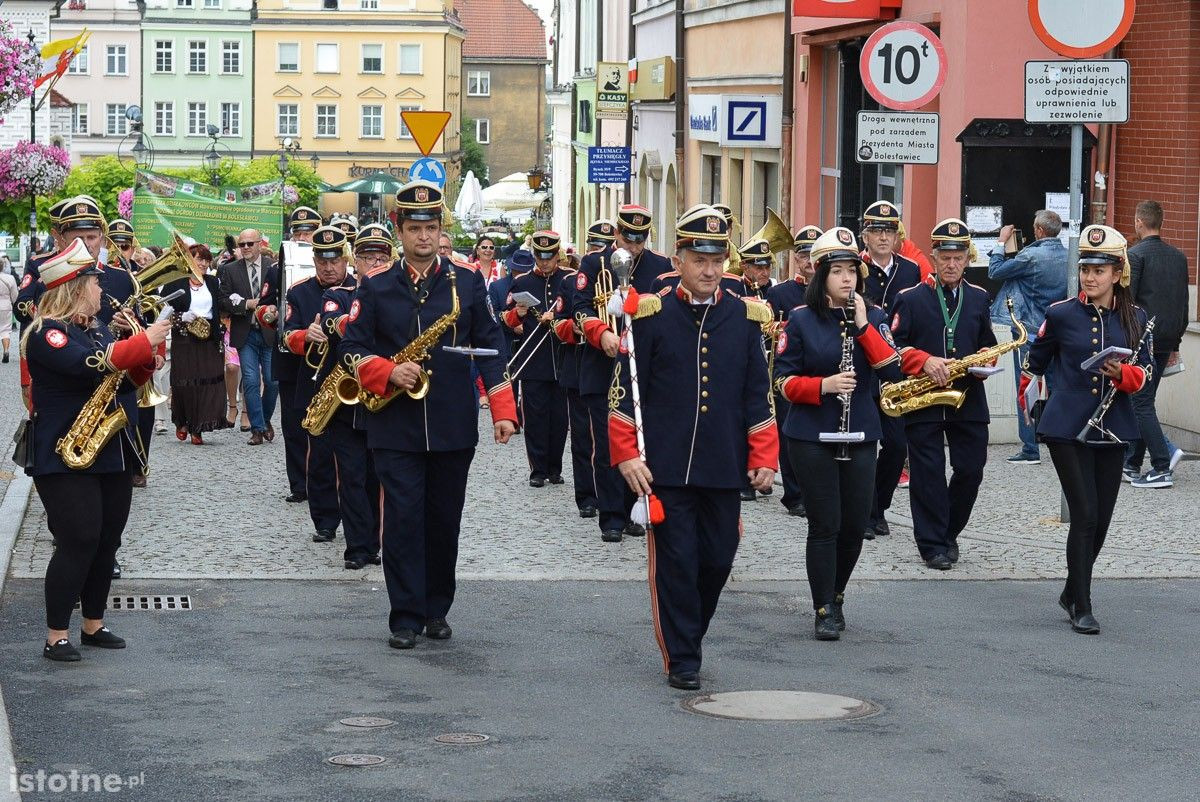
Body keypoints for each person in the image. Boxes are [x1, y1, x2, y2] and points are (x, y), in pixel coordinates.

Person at [339, 180, 517, 649]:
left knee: (443, 521)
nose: (423, 237)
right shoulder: (375, 286)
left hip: (451, 422)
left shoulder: (469, 281)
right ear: (400, 229)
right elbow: (351, 349)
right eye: (415, 227)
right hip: (393, 423)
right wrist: (387, 371)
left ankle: (437, 608)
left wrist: (502, 408)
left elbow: (492, 347)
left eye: (431, 227)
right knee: (401, 519)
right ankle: (405, 615)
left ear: (441, 230)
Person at [609, 205, 777, 690]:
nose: (709, 270)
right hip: (666, 468)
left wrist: (764, 456)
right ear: (678, 260)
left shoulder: (746, 318)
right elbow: (625, 391)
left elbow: (757, 394)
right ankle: (683, 656)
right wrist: (626, 454)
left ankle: (690, 633)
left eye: (717, 259)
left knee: (718, 558)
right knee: (678, 562)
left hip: (724, 465)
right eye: (698, 259)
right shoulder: (651, 314)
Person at [22, 240, 172, 661]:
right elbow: (89, 365)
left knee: (108, 539)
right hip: (64, 451)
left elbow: (122, 381)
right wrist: (143, 343)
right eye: (92, 281)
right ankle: (56, 635)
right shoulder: (48, 332)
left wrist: (147, 358)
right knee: (78, 538)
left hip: (108, 446)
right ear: (72, 286)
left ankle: (93, 623)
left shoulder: (97, 328)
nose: (99, 288)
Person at [1021, 225, 1152, 634]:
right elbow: (1034, 362)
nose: (1090, 277)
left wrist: (1124, 373)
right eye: (1085, 269)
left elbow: (1145, 375)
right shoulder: (1060, 314)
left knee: (1103, 519)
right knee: (1085, 514)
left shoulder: (1136, 318)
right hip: (1067, 425)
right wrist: (1029, 397)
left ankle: (1070, 589)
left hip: (1113, 425)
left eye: (1100, 270)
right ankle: (1082, 604)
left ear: (1118, 273)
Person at [774, 227, 901, 639]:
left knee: (854, 523)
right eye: (838, 271)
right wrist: (822, 386)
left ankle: (839, 592)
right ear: (821, 276)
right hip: (811, 435)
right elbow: (781, 381)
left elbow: (892, 369)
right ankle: (823, 606)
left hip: (861, 431)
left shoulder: (875, 316)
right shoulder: (800, 320)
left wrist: (864, 327)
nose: (847, 279)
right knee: (825, 523)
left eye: (852, 271)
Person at [890, 220, 997, 570]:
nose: (952, 264)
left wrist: (985, 360)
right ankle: (932, 544)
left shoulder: (980, 298)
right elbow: (893, 348)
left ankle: (949, 531)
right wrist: (925, 360)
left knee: (971, 469)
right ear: (933, 258)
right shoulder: (909, 298)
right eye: (945, 257)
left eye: (959, 257)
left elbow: (989, 344)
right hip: (924, 399)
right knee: (928, 473)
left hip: (967, 396)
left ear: (968, 259)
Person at [572, 205, 670, 542]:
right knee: (608, 443)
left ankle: (633, 509)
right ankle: (610, 516)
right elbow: (579, 309)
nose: (634, 245)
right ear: (617, 234)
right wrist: (603, 334)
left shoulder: (660, 266)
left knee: (642, 443)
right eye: (628, 237)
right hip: (603, 367)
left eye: (640, 239)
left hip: (643, 370)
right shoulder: (593, 263)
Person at [277, 225, 355, 543]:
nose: (328, 266)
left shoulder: (363, 288)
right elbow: (286, 333)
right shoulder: (299, 291)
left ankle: (357, 521)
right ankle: (324, 520)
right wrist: (303, 336)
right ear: (314, 259)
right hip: (316, 384)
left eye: (334, 259)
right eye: (322, 260)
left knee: (355, 460)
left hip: (354, 384)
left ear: (346, 259)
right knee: (320, 456)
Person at [323, 224, 388, 568]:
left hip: (385, 400)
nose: (375, 263)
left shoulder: (399, 296)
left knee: (377, 478)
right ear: (355, 262)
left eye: (382, 257)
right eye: (367, 258)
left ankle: (377, 545)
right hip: (348, 401)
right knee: (350, 476)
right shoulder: (340, 294)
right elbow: (338, 325)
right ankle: (357, 548)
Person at [859, 200, 922, 540]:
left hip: (897, 369)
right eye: (876, 231)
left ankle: (879, 506)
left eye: (889, 231)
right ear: (865, 236)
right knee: (868, 443)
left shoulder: (910, 270)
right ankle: (866, 514)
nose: (883, 238)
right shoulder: (855, 266)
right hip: (863, 367)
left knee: (897, 445)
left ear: (897, 236)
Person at [989, 210, 1069, 465]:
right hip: (1057, 333)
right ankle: (1061, 440)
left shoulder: (1031, 255)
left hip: (1029, 333)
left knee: (1026, 389)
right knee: (1057, 389)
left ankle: (1030, 449)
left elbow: (995, 270)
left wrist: (1001, 242)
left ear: (1039, 231)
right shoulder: (1070, 255)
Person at [1124, 200, 1189, 488]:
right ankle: (1132, 462)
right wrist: (1176, 342)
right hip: (1166, 338)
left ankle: (1163, 463)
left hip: (1142, 339)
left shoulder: (1135, 255)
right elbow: (1183, 305)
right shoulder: (1179, 257)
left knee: (1139, 403)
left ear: (1139, 221)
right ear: (1160, 222)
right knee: (1144, 401)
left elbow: (1129, 303)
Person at [503, 231, 570, 487]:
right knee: (536, 417)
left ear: (557, 254)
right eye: (540, 257)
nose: (544, 262)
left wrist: (558, 320)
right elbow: (506, 320)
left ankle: (555, 468)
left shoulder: (568, 280)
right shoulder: (522, 283)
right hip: (534, 361)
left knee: (559, 419)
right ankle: (538, 470)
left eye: (549, 257)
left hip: (563, 358)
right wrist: (518, 315)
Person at [764, 225, 822, 518]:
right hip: (790, 372)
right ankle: (794, 494)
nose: (809, 260)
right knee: (789, 433)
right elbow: (765, 328)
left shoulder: (830, 291)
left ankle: (817, 491)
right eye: (803, 254)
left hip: (823, 372)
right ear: (796, 258)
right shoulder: (780, 293)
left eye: (814, 254)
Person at [551, 226, 601, 519]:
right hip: (579, 366)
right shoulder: (571, 283)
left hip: (610, 369)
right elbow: (558, 324)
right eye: (594, 245)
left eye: (603, 245)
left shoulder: (622, 278)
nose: (598, 251)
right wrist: (581, 328)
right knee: (582, 437)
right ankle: (586, 496)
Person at [274, 207, 321, 503]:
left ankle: (322, 481)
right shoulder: (278, 267)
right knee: (293, 425)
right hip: (291, 359)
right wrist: (268, 312)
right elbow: (268, 304)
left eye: (308, 233)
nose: (303, 238)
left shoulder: (337, 269)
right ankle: (299, 484)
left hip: (324, 362)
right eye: (298, 233)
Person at [160, 245, 228, 444]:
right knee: (185, 381)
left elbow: (221, 304)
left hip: (208, 337)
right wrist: (182, 316)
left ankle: (198, 427)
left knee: (208, 381)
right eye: (199, 259)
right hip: (184, 337)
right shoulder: (176, 282)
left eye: (206, 260)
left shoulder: (213, 282)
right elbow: (163, 309)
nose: (203, 264)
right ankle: (183, 421)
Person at [217, 228, 277, 445]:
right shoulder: (230, 270)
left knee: (272, 381)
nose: (245, 248)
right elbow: (222, 301)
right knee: (251, 380)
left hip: (270, 333)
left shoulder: (274, 267)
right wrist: (245, 304)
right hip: (246, 333)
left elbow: (285, 296)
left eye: (250, 244)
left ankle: (265, 420)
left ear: (260, 244)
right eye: (242, 244)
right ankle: (257, 429)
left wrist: (276, 310)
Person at [0, 257, 17, 363]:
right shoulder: (10, 278)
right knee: (5, 330)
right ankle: (6, 351)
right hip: (5, 306)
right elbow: (15, 295)